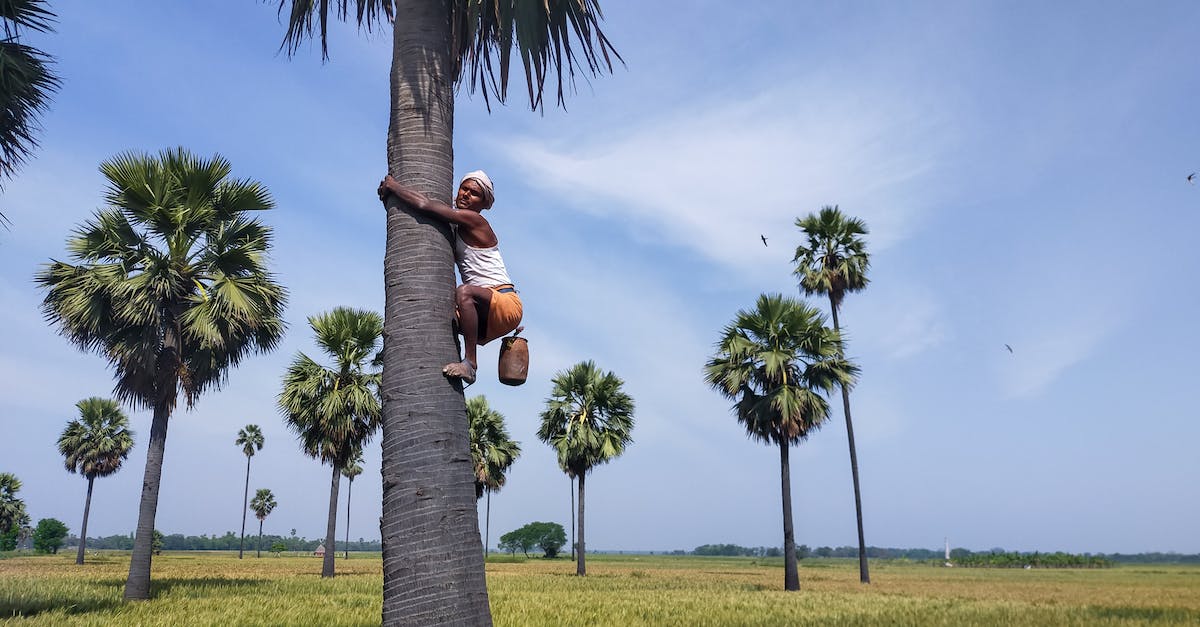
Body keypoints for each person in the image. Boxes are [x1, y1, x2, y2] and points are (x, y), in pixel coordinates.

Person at [378, 170, 522, 384]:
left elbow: (425, 205)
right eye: (464, 188)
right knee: (440, 315)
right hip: (487, 311)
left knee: (464, 292)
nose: (466, 194)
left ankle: (470, 364)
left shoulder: (475, 220)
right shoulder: (455, 227)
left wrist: (394, 187)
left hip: (504, 301)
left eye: (474, 193)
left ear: (484, 204)